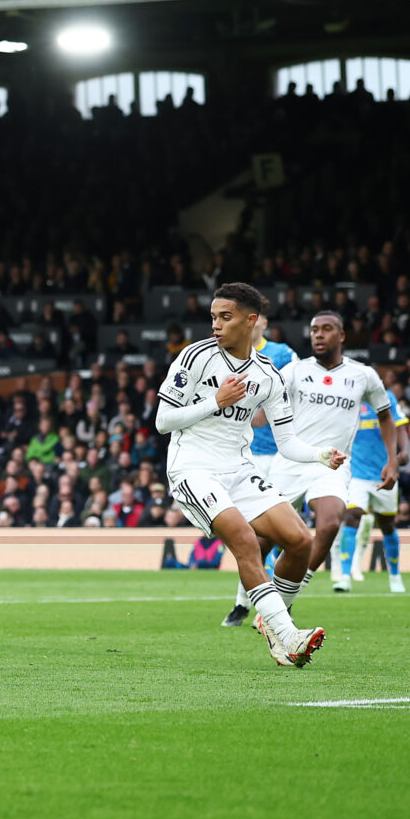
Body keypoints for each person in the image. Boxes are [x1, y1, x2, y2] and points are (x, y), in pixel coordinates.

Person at [157, 284, 346, 667]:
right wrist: (215, 401)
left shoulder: (268, 375)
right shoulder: (195, 357)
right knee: (245, 540)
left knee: (299, 541)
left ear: (250, 321)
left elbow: (287, 441)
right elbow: (163, 421)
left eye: (225, 317)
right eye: (213, 317)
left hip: (240, 469)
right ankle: (288, 633)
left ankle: (273, 623)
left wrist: (319, 455)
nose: (216, 325)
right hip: (193, 468)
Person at [237, 313, 393, 616]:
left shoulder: (363, 375)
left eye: (326, 329)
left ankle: (284, 603)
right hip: (290, 463)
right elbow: (263, 404)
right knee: (261, 542)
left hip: (331, 465)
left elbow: (385, 415)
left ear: (342, 335)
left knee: (331, 522)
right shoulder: (295, 370)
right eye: (314, 330)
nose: (318, 335)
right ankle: (242, 603)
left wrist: (392, 462)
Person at [217, 313, 297, 625]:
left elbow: (295, 391)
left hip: (279, 455)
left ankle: (266, 602)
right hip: (243, 454)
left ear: (261, 320)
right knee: (248, 533)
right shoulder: (228, 354)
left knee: (275, 533)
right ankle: (244, 603)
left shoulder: (284, 354)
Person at [335, 385, 408, 592]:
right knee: (352, 515)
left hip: (384, 471)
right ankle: (345, 577)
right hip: (357, 472)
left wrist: (403, 454)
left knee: (387, 525)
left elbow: (401, 427)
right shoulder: (347, 399)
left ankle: (395, 576)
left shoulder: (387, 398)